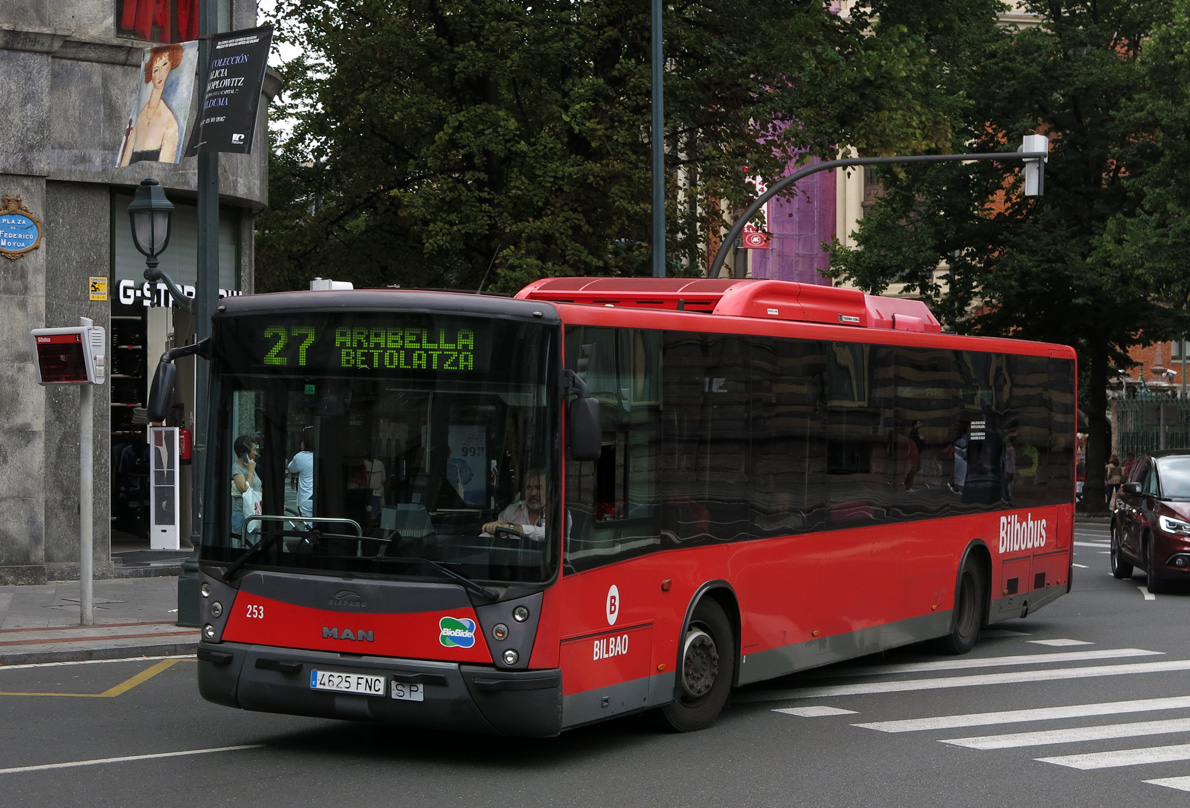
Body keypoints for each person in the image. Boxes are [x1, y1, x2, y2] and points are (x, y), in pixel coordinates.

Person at [119, 43, 183, 166]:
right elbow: (124, 163)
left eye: (164, 64)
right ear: (151, 75)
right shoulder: (141, 114)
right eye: (155, 70)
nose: (159, 74)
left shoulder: (170, 124)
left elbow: (164, 169)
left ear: (170, 67)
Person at [483, 468, 570, 542]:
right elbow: (496, 531)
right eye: (529, 487)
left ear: (549, 489)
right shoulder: (513, 510)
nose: (533, 493)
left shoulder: (560, 512)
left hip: (548, 561)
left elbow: (547, 534)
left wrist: (512, 527)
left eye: (538, 488)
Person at [231, 434, 262, 535]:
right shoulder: (237, 468)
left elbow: (258, 488)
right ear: (245, 453)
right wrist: (251, 470)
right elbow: (244, 489)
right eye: (253, 450)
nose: (255, 453)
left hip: (255, 513)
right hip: (243, 515)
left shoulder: (249, 466)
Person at [286, 432, 314, 519]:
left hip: (306, 497)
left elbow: (291, 468)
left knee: (308, 526)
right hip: (318, 496)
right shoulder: (320, 455)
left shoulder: (300, 457)